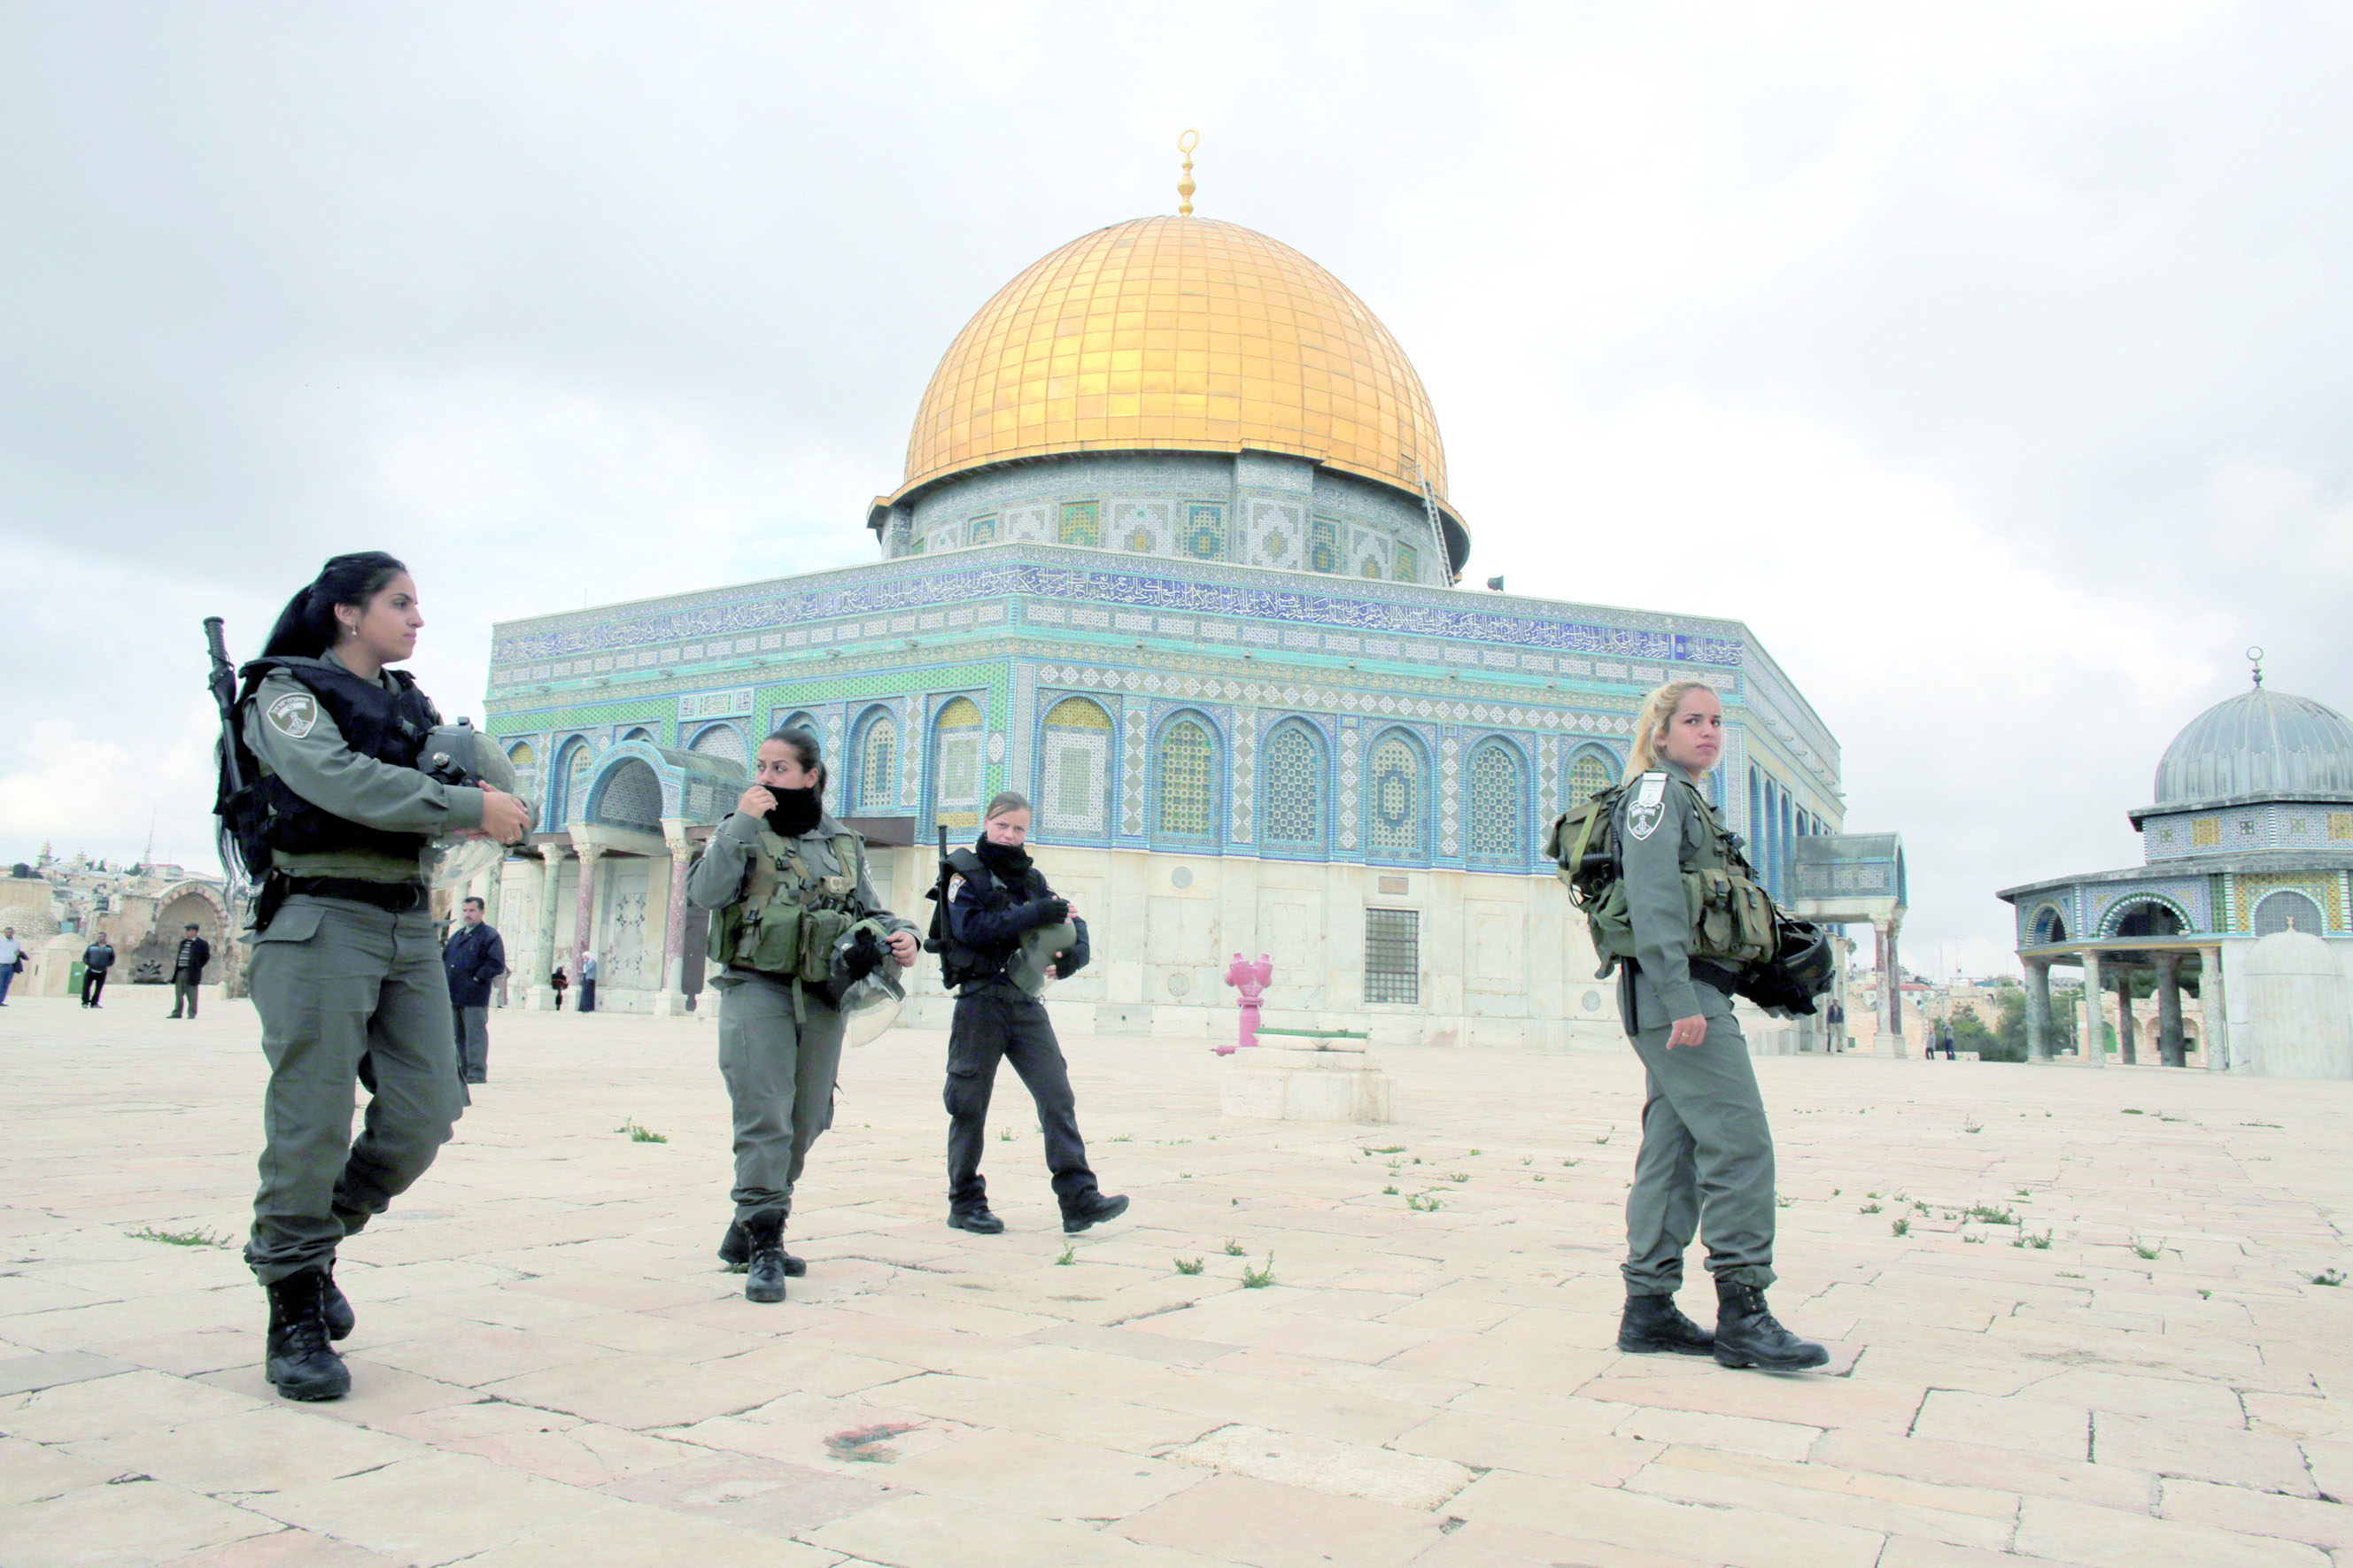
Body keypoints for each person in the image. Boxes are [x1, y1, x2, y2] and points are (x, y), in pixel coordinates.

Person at [228, 551, 530, 1402]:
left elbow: (422, 782)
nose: (418, 618)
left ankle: (313, 1243)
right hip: (322, 918)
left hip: (405, 923)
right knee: (313, 1117)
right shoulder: (284, 696)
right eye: (400, 603)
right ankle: (292, 1305)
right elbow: (335, 779)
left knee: (427, 1110)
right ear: (347, 614)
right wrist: (470, 806)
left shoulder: (408, 707)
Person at [1605, 680, 1826, 1372]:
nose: (1707, 732)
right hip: (1681, 994)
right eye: (1691, 720)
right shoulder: (1653, 796)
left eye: (1716, 721)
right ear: (1659, 732)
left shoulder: (1689, 800)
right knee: (1739, 1145)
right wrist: (1680, 998)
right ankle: (1743, 1312)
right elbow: (1650, 898)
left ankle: (1648, 1310)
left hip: (1693, 991)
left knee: (1673, 1155)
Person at [689, 727, 917, 1303]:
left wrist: (904, 934)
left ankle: (747, 1222)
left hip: (821, 994)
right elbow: (707, 892)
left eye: (780, 769)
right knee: (763, 1112)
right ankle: (766, 1237)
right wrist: (740, 823)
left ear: (811, 776)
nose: (765, 778)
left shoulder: (842, 842)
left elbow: (870, 906)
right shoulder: (740, 830)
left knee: (809, 1115)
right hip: (755, 988)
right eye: (761, 767)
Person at [933, 791, 1127, 1239]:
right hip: (980, 1001)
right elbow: (971, 929)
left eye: (1019, 828)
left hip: (1024, 1003)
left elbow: (1073, 921)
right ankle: (965, 1201)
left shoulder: (1033, 880)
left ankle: (1078, 1198)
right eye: (1003, 826)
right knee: (968, 1105)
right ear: (987, 822)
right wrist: (1033, 914)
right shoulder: (965, 875)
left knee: (1057, 1096)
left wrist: (1076, 955)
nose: (1010, 835)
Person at [444, 896, 506, 1085]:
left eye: (471, 911)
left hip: (474, 994)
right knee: (457, 1035)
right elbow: (445, 959)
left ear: (481, 912)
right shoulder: (457, 936)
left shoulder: (489, 935)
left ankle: (476, 1072)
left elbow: (496, 963)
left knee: (474, 1034)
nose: (467, 915)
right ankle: (461, 1070)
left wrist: (478, 977)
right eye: (465, 911)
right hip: (454, 993)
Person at [166, 923, 212, 1018]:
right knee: (179, 994)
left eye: (189, 930)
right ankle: (177, 1013)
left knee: (192, 995)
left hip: (191, 972)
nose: (187, 932)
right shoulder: (183, 943)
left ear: (194, 931)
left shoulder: (201, 944)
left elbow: (206, 957)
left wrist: (197, 966)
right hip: (180, 971)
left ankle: (192, 1013)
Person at [80, 932, 115, 1008]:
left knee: (98, 989)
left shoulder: (109, 948)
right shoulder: (91, 947)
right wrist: (88, 963)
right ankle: (85, 1002)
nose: (100, 938)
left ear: (105, 938)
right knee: (86, 987)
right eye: (99, 937)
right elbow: (85, 957)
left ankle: (94, 1003)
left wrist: (107, 964)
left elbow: (112, 958)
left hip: (102, 971)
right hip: (91, 970)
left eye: (101, 937)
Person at [0, 924, 23, 1006]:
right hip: (1, 966)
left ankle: (1, 1000)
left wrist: (19, 953)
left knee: (6, 984)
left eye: (10, 932)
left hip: (11, 967)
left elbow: (17, 952)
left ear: (13, 933)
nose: (9, 934)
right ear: (4, 933)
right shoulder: (1, 941)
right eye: (7, 932)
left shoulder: (16, 943)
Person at [578, 948, 598, 1013]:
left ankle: (588, 1007)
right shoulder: (586, 962)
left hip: (590, 979)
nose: (584, 958)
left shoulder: (593, 962)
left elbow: (588, 969)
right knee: (584, 993)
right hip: (585, 978)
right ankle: (583, 1007)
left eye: (585, 956)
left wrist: (586, 962)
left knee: (589, 993)